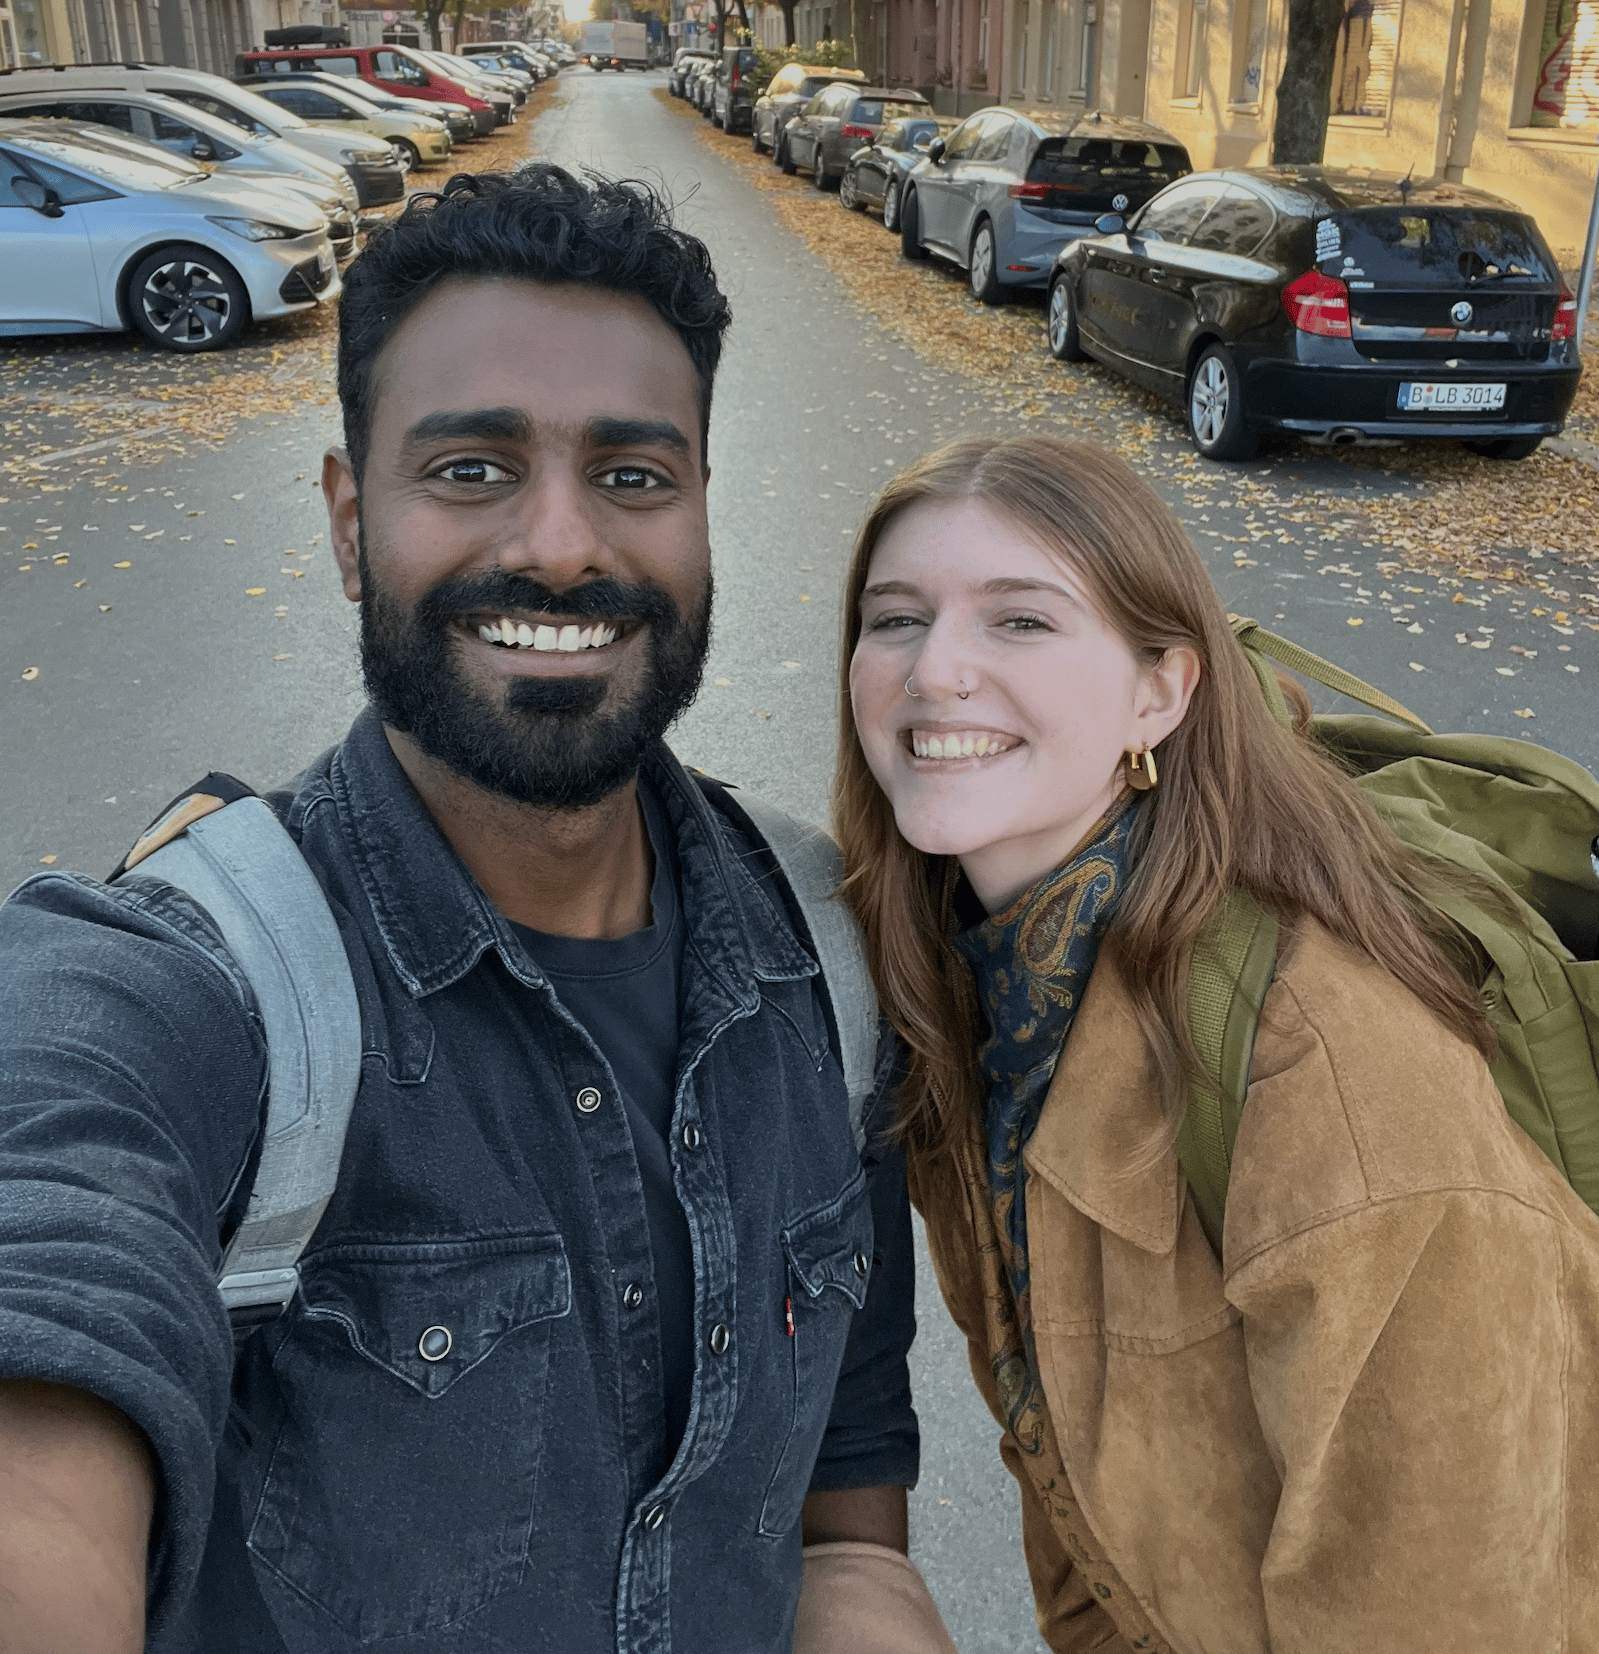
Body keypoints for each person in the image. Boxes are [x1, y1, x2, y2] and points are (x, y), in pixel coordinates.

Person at [0, 167, 938, 1654]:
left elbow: (841, 1497)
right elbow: (52, 1226)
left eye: (634, 476)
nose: (561, 545)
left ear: (703, 510)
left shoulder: (826, 953)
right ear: (347, 520)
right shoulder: (198, 979)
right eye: (470, 468)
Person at [832, 434, 1599, 1652]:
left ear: (1160, 691)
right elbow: (1069, 1473)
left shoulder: (1319, 1058)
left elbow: (1451, 1611)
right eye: (895, 618)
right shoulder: (970, 992)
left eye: (1020, 621)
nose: (933, 668)